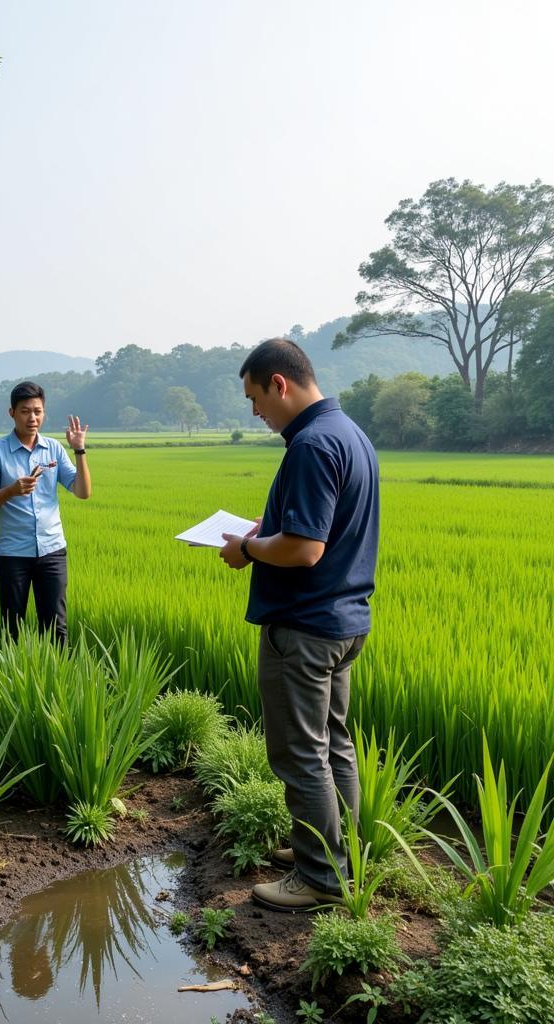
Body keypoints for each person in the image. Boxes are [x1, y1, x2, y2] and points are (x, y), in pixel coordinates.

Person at [218, 338, 380, 911]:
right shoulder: (349, 434)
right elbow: (319, 526)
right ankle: (340, 850)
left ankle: (321, 878)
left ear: (279, 384)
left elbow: (306, 549)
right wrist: (272, 528)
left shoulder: (311, 445)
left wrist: (249, 548)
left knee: (298, 752)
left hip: (305, 626)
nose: (255, 412)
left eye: (255, 398)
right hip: (344, 620)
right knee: (333, 744)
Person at [0, 381, 92, 644]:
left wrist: (79, 450)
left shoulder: (54, 449)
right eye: (25, 411)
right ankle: (11, 681)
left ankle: (57, 681)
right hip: (12, 554)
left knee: (56, 628)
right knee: (11, 627)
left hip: (52, 551)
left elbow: (83, 492)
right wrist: (11, 491)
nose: (32, 417)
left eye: (37, 411)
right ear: (11, 412)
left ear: (44, 413)